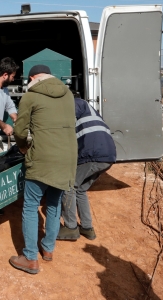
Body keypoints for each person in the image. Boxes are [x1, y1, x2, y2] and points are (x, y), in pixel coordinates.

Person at [10, 65, 77, 274]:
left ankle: (30, 258)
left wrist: (23, 147)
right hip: (67, 158)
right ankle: (48, 250)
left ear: (32, 78)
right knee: (54, 203)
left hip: (42, 158)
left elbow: (20, 130)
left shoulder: (30, 96)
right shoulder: (68, 94)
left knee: (30, 205)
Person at [57, 93, 116, 241]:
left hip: (93, 154)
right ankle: (87, 228)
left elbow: (65, 124)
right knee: (81, 189)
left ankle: (70, 227)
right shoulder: (92, 113)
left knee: (68, 186)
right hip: (107, 156)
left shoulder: (77, 103)